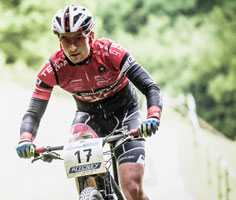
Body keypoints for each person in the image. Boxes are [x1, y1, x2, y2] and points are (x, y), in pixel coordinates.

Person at [16, 5, 162, 200]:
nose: (73, 47)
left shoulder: (111, 52)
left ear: (90, 36)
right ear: (59, 41)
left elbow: (151, 87)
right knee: (78, 153)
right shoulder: (54, 67)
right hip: (89, 118)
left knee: (131, 188)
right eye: (66, 41)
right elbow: (33, 112)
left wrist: (152, 117)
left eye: (78, 38)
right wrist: (26, 139)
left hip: (126, 114)